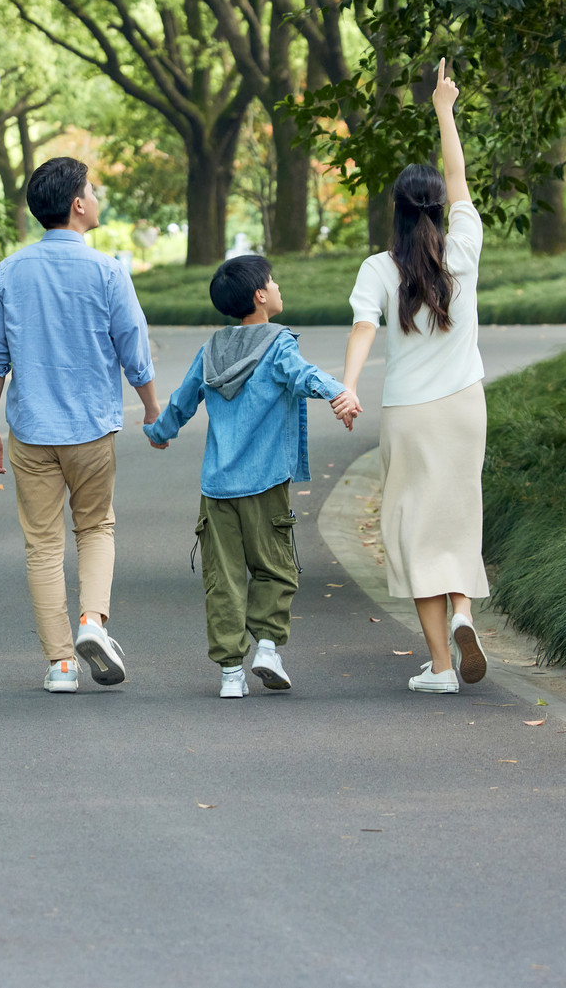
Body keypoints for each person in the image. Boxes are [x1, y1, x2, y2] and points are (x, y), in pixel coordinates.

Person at [0, 157, 160, 694]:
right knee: (96, 526)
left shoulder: (10, 271)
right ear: (78, 205)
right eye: (93, 189)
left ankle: (60, 665)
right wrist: (152, 409)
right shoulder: (108, 271)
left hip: (30, 430)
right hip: (90, 429)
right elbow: (134, 348)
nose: (97, 196)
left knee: (42, 544)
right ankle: (92, 623)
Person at [144, 257, 361, 697]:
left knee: (222, 579)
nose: (278, 286)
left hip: (217, 490)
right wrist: (339, 391)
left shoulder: (211, 350)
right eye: (273, 281)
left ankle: (229, 675)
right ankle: (265, 647)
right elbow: (303, 377)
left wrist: (159, 431)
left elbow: (183, 401)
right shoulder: (279, 344)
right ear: (260, 296)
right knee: (276, 569)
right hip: (265, 484)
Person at [340, 59, 490, 694]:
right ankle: (463, 612)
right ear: (437, 208)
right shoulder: (463, 249)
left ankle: (438, 668)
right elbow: (457, 177)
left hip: (409, 413)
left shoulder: (380, 268)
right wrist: (444, 109)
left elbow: (364, 331)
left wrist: (348, 387)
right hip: (464, 409)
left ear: (395, 209)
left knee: (412, 531)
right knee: (458, 519)